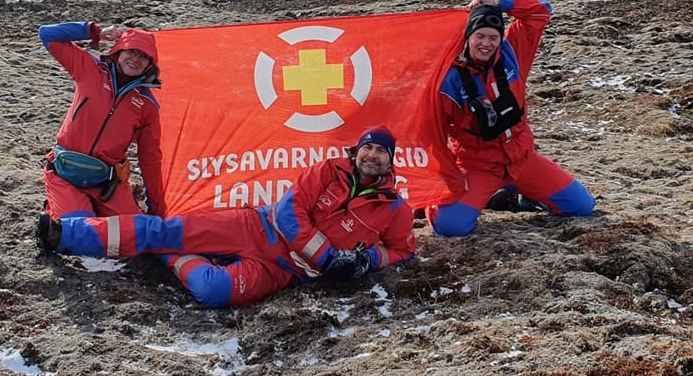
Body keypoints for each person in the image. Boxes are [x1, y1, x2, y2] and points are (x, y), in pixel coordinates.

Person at [36, 127, 417, 308]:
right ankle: (66, 235)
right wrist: (328, 260)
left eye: (381, 152)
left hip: (285, 271)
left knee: (214, 292)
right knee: (162, 228)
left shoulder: (395, 208)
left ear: (390, 160)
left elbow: (403, 248)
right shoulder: (325, 171)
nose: (372, 156)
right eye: (367, 148)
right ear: (356, 152)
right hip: (255, 225)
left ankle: (170, 254)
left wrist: (368, 260)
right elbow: (289, 212)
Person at [429, 0, 595, 236]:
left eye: (493, 37)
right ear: (468, 37)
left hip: (522, 159)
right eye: (480, 36)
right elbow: (433, 133)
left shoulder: (513, 53)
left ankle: (523, 195)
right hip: (478, 167)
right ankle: (439, 202)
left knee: (582, 207)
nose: (486, 44)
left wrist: (501, 3)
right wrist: (441, 181)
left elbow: (541, 11)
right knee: (448, 227)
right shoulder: (447, 80)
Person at [36, 20, 166, 220]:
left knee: (133, 231)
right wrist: (94, 32)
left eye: (144, 56)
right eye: (131, 51)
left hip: (106, 181)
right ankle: (56, 210)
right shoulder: (90, 68)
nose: (135, 59)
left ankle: (78, 209)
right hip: (64, 171)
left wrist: (157, 210)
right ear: (119, 51)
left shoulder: (147, 105)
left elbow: (150, 159)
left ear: (150, 65)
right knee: (79, 227)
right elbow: (47, 33)